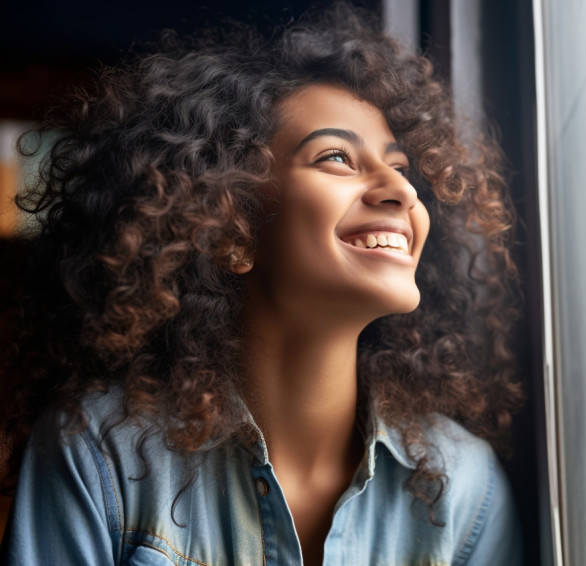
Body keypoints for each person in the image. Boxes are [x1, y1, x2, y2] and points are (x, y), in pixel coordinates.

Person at [0, 4, 524, 565]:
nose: (401, 190)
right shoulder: (99, 456)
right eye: (337, 157)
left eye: (400, 167)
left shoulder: (464, 486)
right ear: (233, 229)